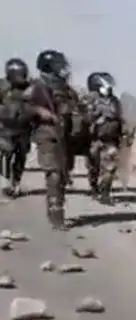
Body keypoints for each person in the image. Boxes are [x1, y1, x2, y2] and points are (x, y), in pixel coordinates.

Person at [26, 49, 80, 230]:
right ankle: (56, 212)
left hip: (65, 136)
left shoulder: (66, 88)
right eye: (58, 65)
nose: (62, 68)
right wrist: (41, 112)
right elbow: (23, 108)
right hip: (47, 134)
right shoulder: (37, 86)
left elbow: (77, 109)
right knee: (54, 174)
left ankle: (58, 206)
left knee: (63, 174)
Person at [82, 71, 123, 206]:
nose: (108, 88)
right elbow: (86, 118)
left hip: (111, 140)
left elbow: (119, 117)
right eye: (105, 86)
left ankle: (104, 193)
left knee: (110, 168)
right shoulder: (90, 100)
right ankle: (94, 188)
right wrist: (96, 115)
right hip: (94, 139)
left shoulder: (115, 101)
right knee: (93, 167)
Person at [0, 58, 33, 198]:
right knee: (5, 155)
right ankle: (5, 182)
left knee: (21, 157)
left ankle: (16, 182)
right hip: (5, 128)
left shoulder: (30, 88)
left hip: (24, 128)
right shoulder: (2, 86)